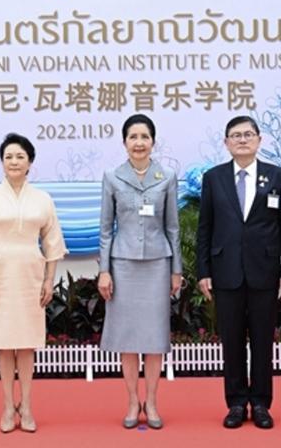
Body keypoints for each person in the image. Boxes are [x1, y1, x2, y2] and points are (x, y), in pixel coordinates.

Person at [0, 133, 67, 433]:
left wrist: (49, 281)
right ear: (2, 162)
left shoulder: (42, 199)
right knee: (4, 346)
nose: (14, 161)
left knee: (28, 345)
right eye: (9, 156)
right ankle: (8, 406)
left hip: (32, 276)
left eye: (20, 156)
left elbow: (53, 243)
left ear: (30, 162)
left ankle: (28, 406)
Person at [196, 115, 281, 430]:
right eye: (236, 135)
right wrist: (203, 271)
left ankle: (262, 404)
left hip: (265, 272)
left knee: (263, 342)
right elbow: (205, 228)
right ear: (226, 142)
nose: (242, 139)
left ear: (259, 140)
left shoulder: (277, 177)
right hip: (225, 271)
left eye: (248, 134)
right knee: (232, 342)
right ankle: (237, 403)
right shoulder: (213, 178)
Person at [97, 114, 182, 430]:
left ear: (153, 141)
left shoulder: (167, 176)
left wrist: (176, 270)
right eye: (133, 137)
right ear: (124, 142)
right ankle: (133, 401)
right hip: (123, 265)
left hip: (158, 265)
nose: (139, 143)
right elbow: (106, 229)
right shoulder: (113, 177)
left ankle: (154, 402)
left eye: (144, 136)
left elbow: (172, 226)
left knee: (155, 337)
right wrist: (104, 270)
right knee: (129, 338)